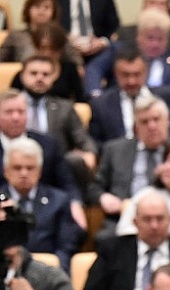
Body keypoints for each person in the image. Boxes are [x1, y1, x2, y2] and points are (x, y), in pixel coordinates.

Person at [89, 95, 170, 237]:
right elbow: (94, 188)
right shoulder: (114, 149)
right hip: (124, 217)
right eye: (144, 122)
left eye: (156, 119)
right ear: (136, 127)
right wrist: (103, 197)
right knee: (104, 238)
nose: (152, 126)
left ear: (168, 121)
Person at [0, 89, 84, 228]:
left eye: (21, 112)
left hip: (44, 211)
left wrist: (75, 204)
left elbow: (66, 182)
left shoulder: (48, 145)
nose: (15, 117)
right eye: (9, 112)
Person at [18, 54, 98, 198]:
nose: (40, 78)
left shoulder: (64, 108)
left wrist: (90, 153)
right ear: (22, 76)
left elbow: (83, 139)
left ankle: (76, 202)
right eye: (33, 73)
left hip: (54, 167)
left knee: (75, 161)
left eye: (45, 74)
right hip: (15, 163)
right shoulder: (10, 107)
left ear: (53, 78)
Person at [88, 46, 170, 144]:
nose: (131, 81)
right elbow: (96, 143)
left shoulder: (169, 96)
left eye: (136, 74)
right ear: (116, 74)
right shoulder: (101, 105)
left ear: (146, 72)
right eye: (125, 75)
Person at [0, 137, 82, 271]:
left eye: (30, 168)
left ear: (39, 171)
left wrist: (55, 274)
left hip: (47, 272)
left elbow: (66, 248)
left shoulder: (59, 201)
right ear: (6, 170)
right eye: (17, 168)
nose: (24, 173)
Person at [84, 8, 170, 101]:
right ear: (138, 36)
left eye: (160, 39)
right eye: (150, 38)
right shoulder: (120, 51)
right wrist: (97, 95)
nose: (155, 44)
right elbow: (94, 69)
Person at [0, 0, 83, 64]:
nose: (41, 12)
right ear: (28, 10)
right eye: (37, 6)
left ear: (53, 12)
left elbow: (77, 63)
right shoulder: (15, 36)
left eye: (46, 7)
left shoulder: (61, 36)